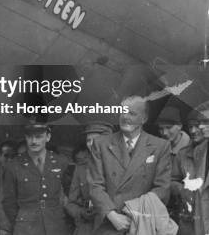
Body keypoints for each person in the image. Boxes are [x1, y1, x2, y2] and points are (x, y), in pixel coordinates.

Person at [88, 96, 171, 235]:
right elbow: (95, 185)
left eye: (132, 114)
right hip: (109, 225)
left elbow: (162, 188)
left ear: (144, 119)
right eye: (122, 112)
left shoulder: (160, 146)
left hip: (143, 224)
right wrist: (112, 215)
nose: (125, 117)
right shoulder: (101, 144)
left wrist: (133, 212)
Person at [2, 116, 70, 235]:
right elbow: (8, 202)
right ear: (25, 137)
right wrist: (23, 220)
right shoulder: (13, 165)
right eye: (30, 137)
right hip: (26, 228)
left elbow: (71, 193)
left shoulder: (61, 161)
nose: (34, 141)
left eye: (39, 137)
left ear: (48, 137)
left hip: (56, 226)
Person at [66, 122, 113, 235]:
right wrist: (81, 212)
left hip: (113, 227)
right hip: (87, 227)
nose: (91, 144)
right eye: (88, 140)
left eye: (95, 140)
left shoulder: (123, 166)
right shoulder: (81, 169)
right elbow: (70, 203)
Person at [171, 102, 209, 235]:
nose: (193, 131)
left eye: (197, 126)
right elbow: (172, 180)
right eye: (190, 126)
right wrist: (182, 190)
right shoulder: (183, 154)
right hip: (190, 219)